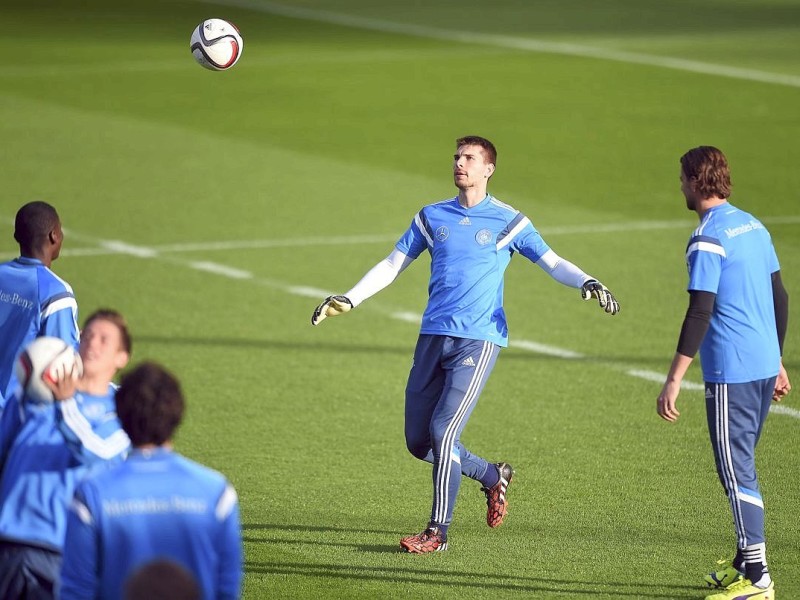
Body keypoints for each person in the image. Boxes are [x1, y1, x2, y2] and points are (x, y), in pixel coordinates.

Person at [311, 135, 620, 553]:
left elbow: (552, 261)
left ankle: (436, 533)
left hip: (478, 340)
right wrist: (350, 297)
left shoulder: (509, 222)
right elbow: (393, 263)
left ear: (488, 169)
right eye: (457, 156)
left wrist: (586, 279)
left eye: (470, 158)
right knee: (419, 442)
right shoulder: (431, 215)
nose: (460, 162)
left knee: (443, 431)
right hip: (432, 337)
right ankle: (493, 476)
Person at [656, 146, 790, 600]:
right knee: (742, 465)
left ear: (696, 180)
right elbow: (780, 297)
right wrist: (776, 360)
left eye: (681, 178)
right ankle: (742, 563)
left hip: (731, 370)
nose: (679, 186)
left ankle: (758, 579)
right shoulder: (753, 225)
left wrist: (674, 377)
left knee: (737, 472)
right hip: (760, 364)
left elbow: (700, 311)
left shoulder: (708, 237)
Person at [60, 361, 243, 600]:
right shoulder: (218, 494)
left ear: (120, 416)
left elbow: (76, 589)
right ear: (178, 413)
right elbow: (227, 588)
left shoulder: (92, 495)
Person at [0, 308, 132, 599]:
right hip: (8, 540)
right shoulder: (34, 388)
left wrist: (65, 402)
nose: (92, 343)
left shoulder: (123, 409)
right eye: (89, 335)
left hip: (62, 548)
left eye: (104, 340)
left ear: (121, 357)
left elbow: (94, 450)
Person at [0, 200, 79, 411]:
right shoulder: (56, 293)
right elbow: (63, 365)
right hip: (15, 415)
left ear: (17, 236)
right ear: (54, 235)